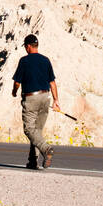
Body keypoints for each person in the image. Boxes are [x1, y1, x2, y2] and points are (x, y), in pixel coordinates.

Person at [10, 33, 60, 169]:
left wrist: (14, 92)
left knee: (29, 129)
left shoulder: (24, 61)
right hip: (45, 97)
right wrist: (56, 101)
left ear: (27, 47)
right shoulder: (46, 60)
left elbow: (17, 82)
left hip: (31, 98)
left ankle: (46, 149)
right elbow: (53, 83)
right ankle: (33, 161)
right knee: (36, 131)